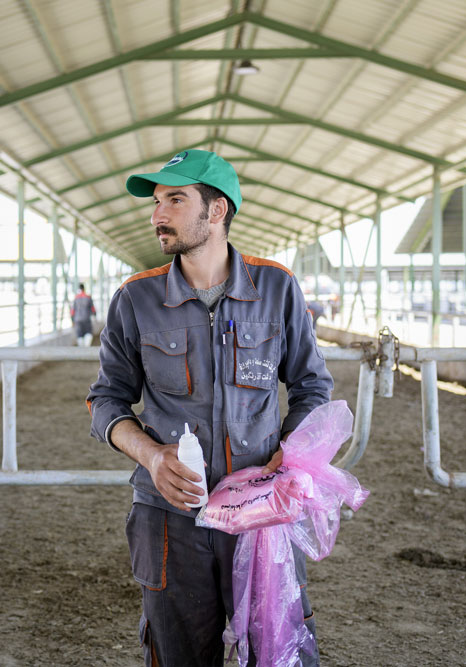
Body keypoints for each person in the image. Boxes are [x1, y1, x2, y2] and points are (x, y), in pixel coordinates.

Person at [86, 149, 333, 666]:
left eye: (175, 199)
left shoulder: (277, 288)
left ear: (217, 210)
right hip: (170, 514)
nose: (158, 214)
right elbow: (105, 400)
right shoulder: (136, 299)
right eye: (156, 202)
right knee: (178, 654)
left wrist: (286, 457)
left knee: (275, 649)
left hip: (259, 510)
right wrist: (153, 457)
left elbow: (312, 387)